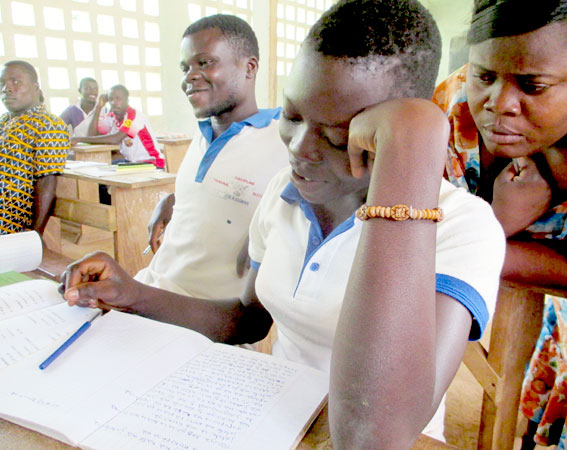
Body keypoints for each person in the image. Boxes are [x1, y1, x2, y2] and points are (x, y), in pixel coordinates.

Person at [60, 0, 505, 446]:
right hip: (271, 423)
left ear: (393, 128)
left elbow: (375, 437)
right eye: (292, 115)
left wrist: (414, 143)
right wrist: (133, 294)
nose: (300, 148)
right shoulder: (283, 192)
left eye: (337, 136)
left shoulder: (463, 229)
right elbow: (247, 320)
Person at [432, 0, 567, 447]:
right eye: (483, 75)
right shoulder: (450, 113)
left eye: (533, 85)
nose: (499, 105)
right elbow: (401, 230)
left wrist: (473, 234)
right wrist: (497, 220)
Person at [134, 14, 288, 300]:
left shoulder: (285, 139)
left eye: (205, 63)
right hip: (152, 289)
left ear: (249, 67)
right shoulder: (205, 131)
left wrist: (268, 228)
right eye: (185, 68)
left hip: (202, 320)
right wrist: (173, 199)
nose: (190, 77)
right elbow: (217, 188)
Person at [0, 60, 69, 235]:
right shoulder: (4, 121)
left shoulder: (48, 123)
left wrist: (34, 234)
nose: (6, 89)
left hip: (9, 225)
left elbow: (47, 182)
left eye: (16, 82)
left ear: (35, 87)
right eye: (2, 83)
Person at [71, 84, 165, 168]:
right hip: (133, 163)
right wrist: (98, 107)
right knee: (99, 169)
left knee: (107, 174)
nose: (114, 102)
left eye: (118, 99)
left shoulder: (135, 116)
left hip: (152, 163)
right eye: (111, 99)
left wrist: (78, 139)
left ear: (127, 100)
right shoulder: (112, 117)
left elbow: (116, 139)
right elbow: (91, 136)